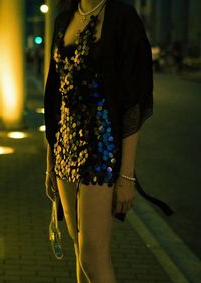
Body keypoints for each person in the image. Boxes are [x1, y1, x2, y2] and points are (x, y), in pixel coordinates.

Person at [43, 0, 173, 282]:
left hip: (102, 151)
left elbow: (132, 104)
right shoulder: (64, 17)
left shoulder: (122, 17)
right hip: (65, 148)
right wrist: (50, 160)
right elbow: (55, 97)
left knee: (93, 258)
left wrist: (126, 176)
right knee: (79, 248)